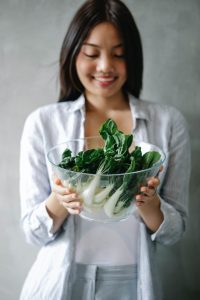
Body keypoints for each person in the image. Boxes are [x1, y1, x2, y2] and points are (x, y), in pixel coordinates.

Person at [19, 0, 191, 299]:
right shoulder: (43, 123)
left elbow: (175, 232)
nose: (105, 66)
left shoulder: (168, 122)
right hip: (59, 284)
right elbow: (33, 233)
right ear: (73, 55)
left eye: (119, 54)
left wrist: (149, 204)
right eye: (91, 53)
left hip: (136, 285)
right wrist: (60, 198)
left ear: (133, 58)